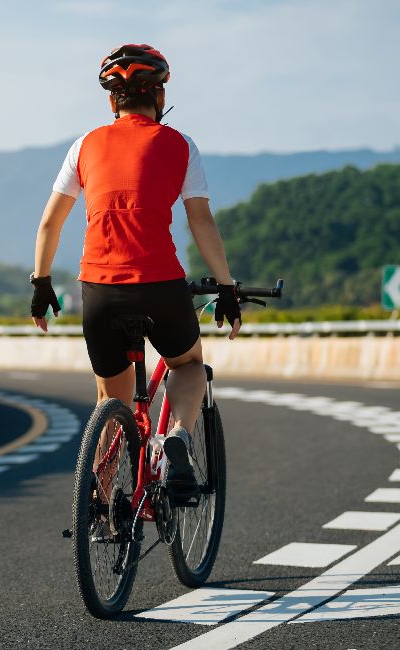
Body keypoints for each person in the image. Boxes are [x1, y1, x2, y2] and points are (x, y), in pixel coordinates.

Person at [29, 43, 241, 500]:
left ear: (112, 101)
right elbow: (200, 220)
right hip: (159, 284)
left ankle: (101, 505)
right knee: (189, 366)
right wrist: (226, 287)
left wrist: (41, 284)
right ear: (160, 95)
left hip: (99, 288)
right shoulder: (180, 144)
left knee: (112, 400)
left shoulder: (85, 145)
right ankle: (179, 438)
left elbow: (51, 221)